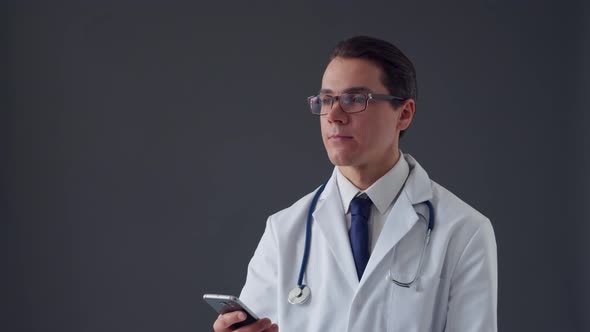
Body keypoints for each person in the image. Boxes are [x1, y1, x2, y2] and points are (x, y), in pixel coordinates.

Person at [212, 36, 497, 332]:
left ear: (405, 113)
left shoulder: (465, 232)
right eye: (325, 100)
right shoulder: (283, 232)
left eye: (355, 100)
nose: (334, 116)